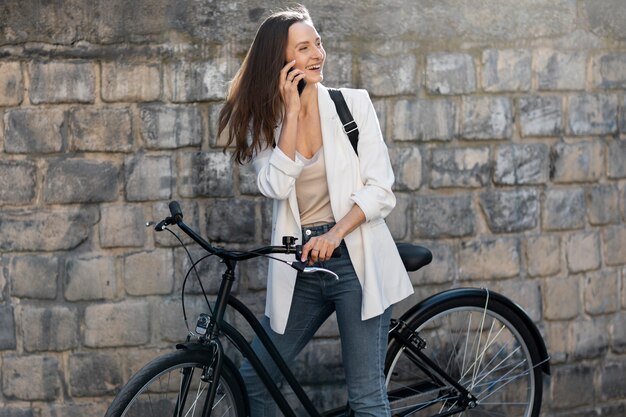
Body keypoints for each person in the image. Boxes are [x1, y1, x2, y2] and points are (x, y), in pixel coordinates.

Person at [217, 5, 413, 417]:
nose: (317, 54)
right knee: (255, 382)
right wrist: (290, 114)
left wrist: (334, 234)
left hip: (355, 260)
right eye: (304, 48)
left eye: (318, 43)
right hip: (300, 266)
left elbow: (381, 190)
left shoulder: (352, 105)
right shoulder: (263, 122)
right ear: (281, 61)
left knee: (365, 398)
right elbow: (274, 186)